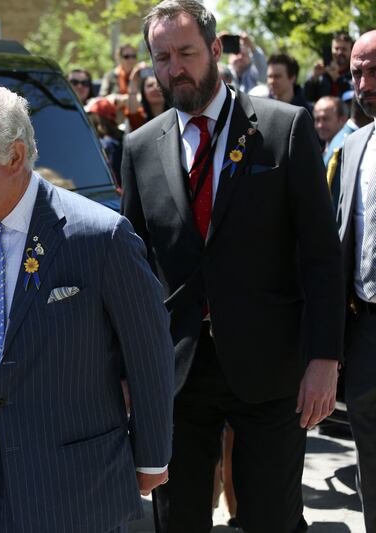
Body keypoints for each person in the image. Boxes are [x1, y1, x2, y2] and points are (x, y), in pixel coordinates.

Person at [121, 1, 345, 532]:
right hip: (177, 374)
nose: (175, 68)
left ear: (216, 51)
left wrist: (324, 359)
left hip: (273, 371)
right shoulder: (140, 147)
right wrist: (129, 367)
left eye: (186, 53)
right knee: (177, 521)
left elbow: (320, 254)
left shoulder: (283, 128)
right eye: (162, 56)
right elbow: (134, 271)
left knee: (272, 518)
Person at [0, 82, 174, 532]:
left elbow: (149, 354)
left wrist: (152, 456)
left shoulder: (100, 236)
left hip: (73, 489)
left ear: (16, 156)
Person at [336, 29, 376, 533]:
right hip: (366, 336)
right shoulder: (352, 149)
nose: (364, 84)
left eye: (374, 70)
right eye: (356, 73)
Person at [305, 33, 355, 102]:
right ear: (331, 49)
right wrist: (314, 78)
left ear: (351, 51)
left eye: (344, 49)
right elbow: (307, 98)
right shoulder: (322, 74)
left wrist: (338, 79)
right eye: (336, 48)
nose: (339, 52)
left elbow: (354, 96)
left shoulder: (355, 72)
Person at [313, 96, 348, 164]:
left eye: (325, 119)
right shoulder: (317, 151)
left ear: (342, 119)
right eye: (317, 120)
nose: (320, 125)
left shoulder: (347, 151)